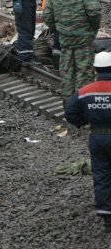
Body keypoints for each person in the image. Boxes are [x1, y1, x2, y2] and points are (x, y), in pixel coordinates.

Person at [64, 51, 111, 231]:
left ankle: (106, 215)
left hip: (97, 137)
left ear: (95, 69)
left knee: (101, 174)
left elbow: (70, 111)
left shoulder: (85, 92)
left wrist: (82, 122)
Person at [43, 0, 99, 96]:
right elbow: (95, 12)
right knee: (84, 72)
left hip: (65, 40)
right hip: (84, 40)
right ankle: (83, 101)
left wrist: (57, 28)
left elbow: (47, 15)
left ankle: (69, 104)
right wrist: (93, 29)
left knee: (67, 72)